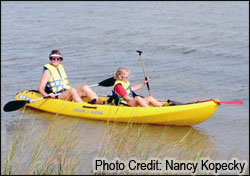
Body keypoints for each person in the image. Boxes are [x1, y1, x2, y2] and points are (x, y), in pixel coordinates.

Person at [38, 49, 103, 104]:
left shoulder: (60, 68)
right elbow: (40, 88)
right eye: (53, 58)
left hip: (66, 93)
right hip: (58, 95)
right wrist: (47, 95)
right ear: (51, 59)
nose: (55, 60)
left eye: (58, 59)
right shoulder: (47, 72)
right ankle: (83, 106)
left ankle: (101, 102)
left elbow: (64, 84)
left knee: (84, 87)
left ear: (60, 60)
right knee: (72, 90)